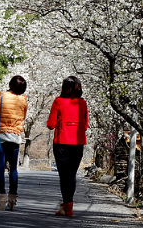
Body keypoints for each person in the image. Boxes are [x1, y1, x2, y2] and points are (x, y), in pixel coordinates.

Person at [0, 75, 28, 211]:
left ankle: (1, 201)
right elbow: (23, 116)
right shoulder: (23, 99)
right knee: (13, 169)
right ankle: (12, 200)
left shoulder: (0, 95)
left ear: (10, 84)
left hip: (0, 137)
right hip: (14, 138)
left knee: (0, 168)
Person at [46, 76, 89, 217]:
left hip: (62, 143)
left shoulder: (58, 102)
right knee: (72, 175)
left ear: (65, 87)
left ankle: (67, 207)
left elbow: (50, 125)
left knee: (64, 177)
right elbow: (86, 126)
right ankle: (68, 207)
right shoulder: (83, 104)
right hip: (78, 143)